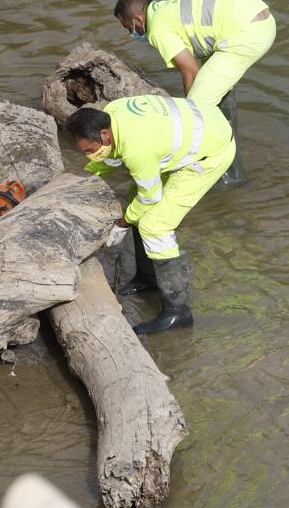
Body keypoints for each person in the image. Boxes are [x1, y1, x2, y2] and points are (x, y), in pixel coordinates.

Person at [67, 95, 236, 334]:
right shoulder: (112, 113)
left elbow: (150, 197)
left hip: (209, 153)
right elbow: (111, 160)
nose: (88, 155)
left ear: (104, 135)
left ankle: (178, 312)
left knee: (155, 225)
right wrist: (81, 182)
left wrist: (122, 224)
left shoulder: (137, 149)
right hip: (201, 126)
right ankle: (148, 278)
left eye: (90, 150)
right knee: (136, 193)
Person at [113, 0, 274, 185]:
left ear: (138, 19)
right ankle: (230, 165)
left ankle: (228, 177)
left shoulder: (158, 28)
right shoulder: (167, 9)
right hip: (259, 17)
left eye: (128, 27)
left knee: (196, 114)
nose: (131, 32)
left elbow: (190, 70)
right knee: (217, 93)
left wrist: (189, 114)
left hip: (246, 32)